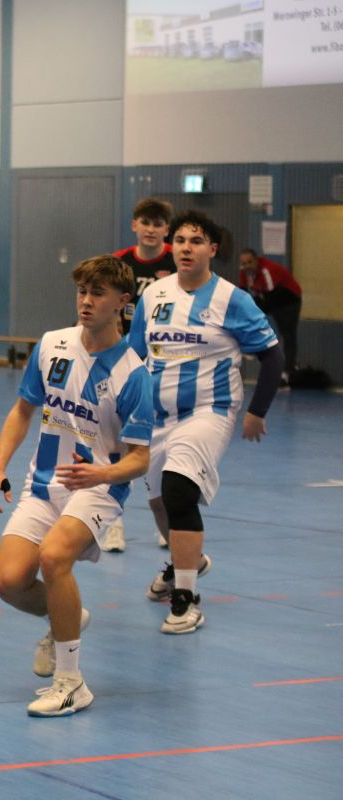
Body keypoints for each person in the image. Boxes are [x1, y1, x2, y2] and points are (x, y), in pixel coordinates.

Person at [0, 254, 153, 717]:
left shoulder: (133, 374)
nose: (86, 301)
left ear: (122, 302)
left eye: (98, 293)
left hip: (99, 487)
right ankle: (67, 616)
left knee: (54, 557)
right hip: (44, 482)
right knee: (8, 581)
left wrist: (102, 475)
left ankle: (71, 682)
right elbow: (23, 410)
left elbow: (140, 458)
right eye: (81, 291)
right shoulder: (52, 345)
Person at [129, 211, 283, 635]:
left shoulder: (233, 299)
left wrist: (257, 411)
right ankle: (188, 561)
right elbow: (133, 354)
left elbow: (272, 356)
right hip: (156, 416)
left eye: (196, 241)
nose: (186, 248)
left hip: (208, 411)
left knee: (179, 490)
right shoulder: (154, 295)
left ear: (212, 249)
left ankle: (186, 600)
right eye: (180, 240)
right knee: (159, 503)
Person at [109, 196, 176, 552]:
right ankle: (111, 521)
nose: (151, 230)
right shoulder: (119, 263)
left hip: (166, 366)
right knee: (117, 443)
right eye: (145, 223)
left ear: (167, 230)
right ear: (134, 225)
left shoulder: (178, 262)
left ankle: (167, 524)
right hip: (123, 361)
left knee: (162, 449)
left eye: (158, 224)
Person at [238, 248, 301, 385]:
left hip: (288, 299)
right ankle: (251, 346)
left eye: (250, 262)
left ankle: (287, 373)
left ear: (256, 261)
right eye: (243, 263)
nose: (247, 266)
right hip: (267, 297)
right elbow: (243, 295)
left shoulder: (267, 270)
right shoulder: (244, 273)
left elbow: (270, 299)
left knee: (288, 334)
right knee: (246, 314)